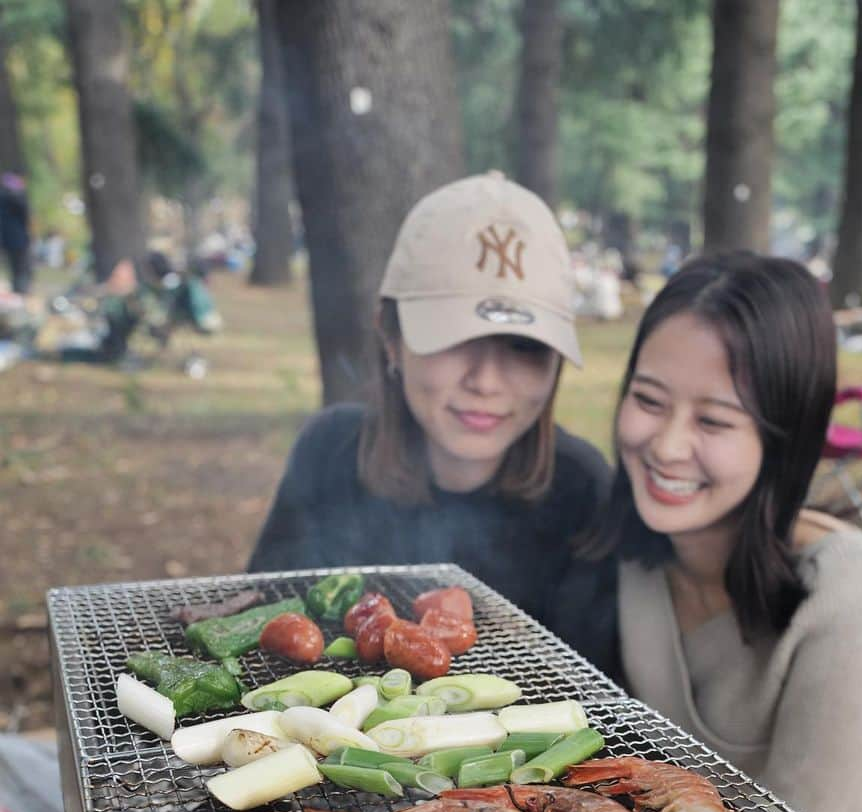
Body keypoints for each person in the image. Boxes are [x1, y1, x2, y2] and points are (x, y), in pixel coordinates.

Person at [587, 252, 862, 812]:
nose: (666, 445)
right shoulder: (627, 546)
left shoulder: (838, 584)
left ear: (783, 439)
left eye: (713, 421)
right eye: (649, 400)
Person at [248, 171, 614, 673]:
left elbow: (593, 695)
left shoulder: (582, 489)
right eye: (453, 339)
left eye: (524, 347)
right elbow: (261, 633)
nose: (486, 381)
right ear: (390, 337)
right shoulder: (328, 453)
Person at [0, 171, 32, 294]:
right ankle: (21, 289)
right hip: (19, 237)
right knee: (21, 265)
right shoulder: (18, 198)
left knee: (14, 265)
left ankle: (17, 288)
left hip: (6, 238)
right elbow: (25, 217)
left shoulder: (2, 197)